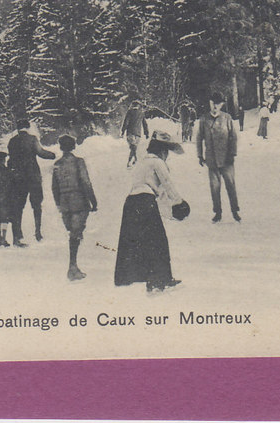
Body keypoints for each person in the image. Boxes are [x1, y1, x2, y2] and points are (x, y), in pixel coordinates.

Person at [114, 131, 188, 292]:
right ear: (162, 150)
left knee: (137, 242)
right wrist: (179, 202)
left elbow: (157, 195)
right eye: (166, 151)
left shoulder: (141, 162)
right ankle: (160, 280)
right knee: (157, 241)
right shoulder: (157, 162)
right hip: (145, 201)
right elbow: (167, 184)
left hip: (131, 203)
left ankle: (138, 277)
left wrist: (167, 212)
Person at [51, 134, 98, 281]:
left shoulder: (57, 164)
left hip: (65, 204)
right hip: (79, 202)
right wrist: (93, 201)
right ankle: (72, 267)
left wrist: (59, 204)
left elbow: (54, 188)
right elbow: (85, 182)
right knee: (75, 235)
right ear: (73, 146)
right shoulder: (79, 162)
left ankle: (73, 266)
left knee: (73, 233)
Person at [7, 117, 56, 245]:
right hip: (33, 176)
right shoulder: (32, 139)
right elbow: (40, 152)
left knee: (18, 207)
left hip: (18, 178)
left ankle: (17, 235)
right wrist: (52, 155)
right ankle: (38, 233)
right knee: (36, 205)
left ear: (17, 129)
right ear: (27, 127)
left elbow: (10, 159)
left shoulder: (12, 142)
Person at [195, 91, 240, 223]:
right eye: (213, 103)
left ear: (222, 105)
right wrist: (200, 155)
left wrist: (232, 153)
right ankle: (217, 212)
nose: (215, 106)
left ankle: (235, 211)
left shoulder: (227, 118)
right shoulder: (204, 119)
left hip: (227, 159)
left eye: (218, 104)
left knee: (230, 185)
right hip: (212, 159)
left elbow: (233, 137)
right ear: (209, 103)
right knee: (214, 187)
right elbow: (199, 139)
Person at [120, 98, 150, 167]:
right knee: (134, 147)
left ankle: (132, 161)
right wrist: (146, 133)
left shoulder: (130, 112)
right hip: (138, 134)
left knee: (133, 148)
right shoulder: (141, 113)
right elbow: (145, 124)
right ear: (138, 106)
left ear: (132, 105)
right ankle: (134, 161)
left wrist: (123, 131)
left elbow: (126, 122)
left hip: (130, 133)